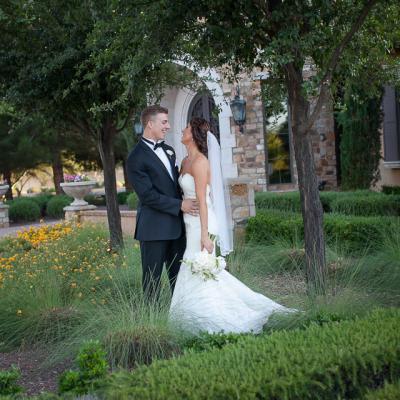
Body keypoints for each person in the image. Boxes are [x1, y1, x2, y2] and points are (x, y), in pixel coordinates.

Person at [170, 117, 293, 333]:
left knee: (200, 269)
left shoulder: (200, 162)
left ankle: (212, 320)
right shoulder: (185, 161)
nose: (183, 130)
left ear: (195, 135)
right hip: (190, 222)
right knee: (196, 269)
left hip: (202, 224)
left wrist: (205, 235)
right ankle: (196, 316)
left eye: (187, 128)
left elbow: (203, 200)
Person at [127, 105, 198, 300]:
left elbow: (175, 184)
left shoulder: (169, 150)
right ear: (150, 124)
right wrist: (180, 205)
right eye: (164, 122)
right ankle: (152, 317)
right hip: (153, 229)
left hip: (177, 227)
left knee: (180, 279)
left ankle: (180, 314)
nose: (168, 126)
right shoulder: (135, 157)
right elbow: (147, 195)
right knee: (152, 282)